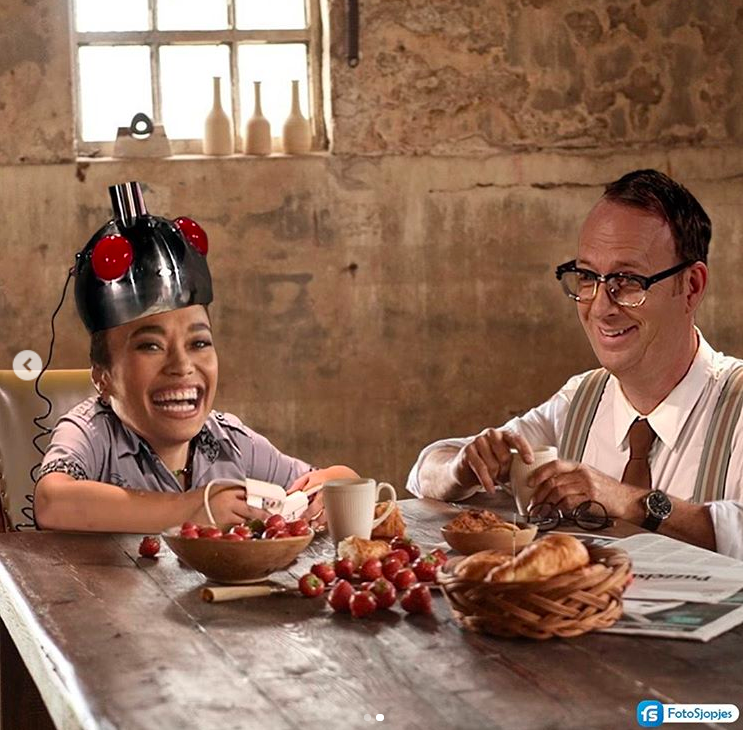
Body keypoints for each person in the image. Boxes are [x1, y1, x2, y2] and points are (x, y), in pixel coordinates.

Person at [407, 169, 743, 559]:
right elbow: (426, 470)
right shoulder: (580, 402)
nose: (600, 307)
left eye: (628, 280)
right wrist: (461, 469)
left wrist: (629, 502)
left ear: (691, 287)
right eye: (587, 277)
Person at [34, 182, 354, 532]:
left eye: (199, 343)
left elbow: (335, 479)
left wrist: (331, 487)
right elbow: (53, 503)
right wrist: (194, 507)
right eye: (151, 346)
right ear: (102, 376)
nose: (182, 366)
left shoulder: (229, 442)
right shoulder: (92, 433)